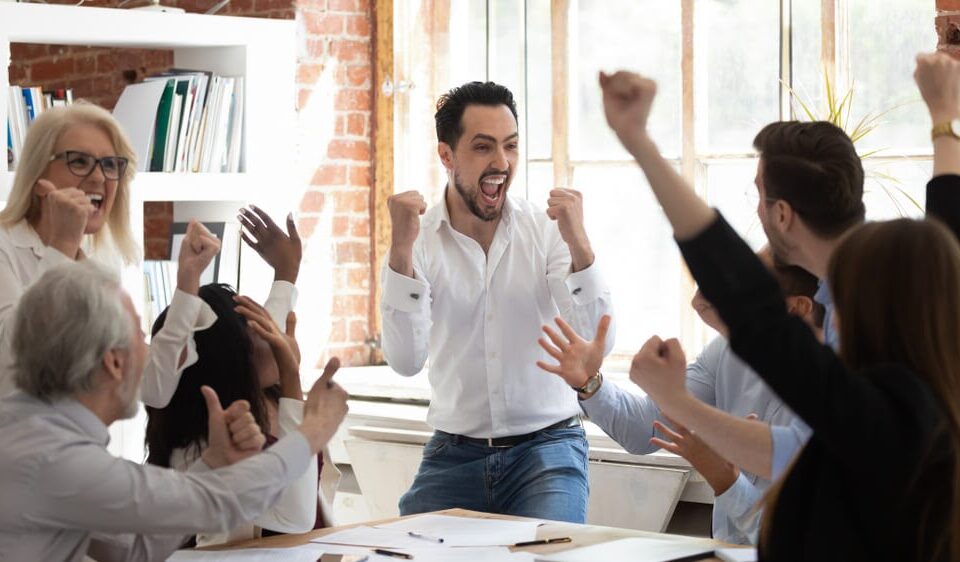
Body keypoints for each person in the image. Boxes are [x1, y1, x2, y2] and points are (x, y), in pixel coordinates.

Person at [595, 51, 960, 561]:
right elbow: (947, 229)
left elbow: (750, 304)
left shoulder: (868, 407)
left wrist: (638, 140)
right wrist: (943, 118)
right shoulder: (931, 389)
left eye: (759, 198)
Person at [0, 260, 349, 561]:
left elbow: (134, 549)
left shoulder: (31, 434)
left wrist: (213, 463)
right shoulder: (57, 460)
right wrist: (312, 431)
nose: (154, 351)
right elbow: (218, 501)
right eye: (140, 333)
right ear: (115, 362)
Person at [380, 81, 615, 522]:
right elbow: (406, 360)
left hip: (547, 450)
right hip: (453, 455)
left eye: (510, 146)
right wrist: (400, 253)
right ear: (446, 156)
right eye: (483, 147)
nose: (502, 163)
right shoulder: (417, 241)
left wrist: (580, 242)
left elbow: (595, 343)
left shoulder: (548, 230)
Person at [537, 248, 822, 544]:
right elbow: (643, 430)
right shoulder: (726, 352)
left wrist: (725, 478)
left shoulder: (839, 395)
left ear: (798, 308)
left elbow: (790, 537)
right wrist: (588, 382)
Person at [0, 102, 224, 408]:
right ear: (38, 175)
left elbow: (154, 387)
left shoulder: (97, 269)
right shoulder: (6, 246)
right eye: (79, 161)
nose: (98, 178)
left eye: (110, 165)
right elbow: (13, 364)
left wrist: (187, 284)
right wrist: (63, 246)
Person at [146, 285, 341, 545]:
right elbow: (297, 517)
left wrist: (286, 272)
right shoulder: (203, 448)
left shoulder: (268, 404)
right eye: (260, 331)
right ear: (233, 358)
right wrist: (290, 375)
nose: (276, 340)